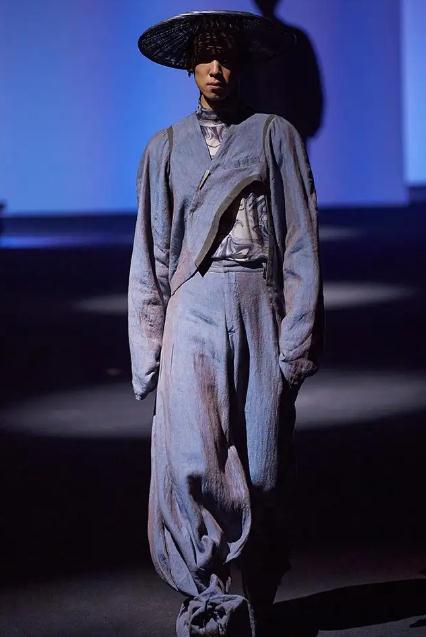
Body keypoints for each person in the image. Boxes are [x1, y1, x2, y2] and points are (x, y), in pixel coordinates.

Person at [128, 10, 325, 637]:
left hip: (257, 303)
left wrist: (297, 336)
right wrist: (149, 345)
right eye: (207, 57)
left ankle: (260, 586)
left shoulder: (274, 136)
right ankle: (205, 597)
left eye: (228, 57)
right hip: (192, 307)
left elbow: (300, 241)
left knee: (264, 463)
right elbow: (152, 252)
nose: (218, 69)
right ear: (190, 68)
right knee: (192, 456)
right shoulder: (164, 148)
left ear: (243, 66)